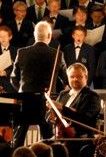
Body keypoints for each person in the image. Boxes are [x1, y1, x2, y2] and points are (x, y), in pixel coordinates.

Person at [10, 20, 68, 148]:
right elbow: (66, 80)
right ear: (49, 36)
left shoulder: (22, 52)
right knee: (48, 141)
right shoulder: (57, 54)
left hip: (25, 101)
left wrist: (22, 91)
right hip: (46, 102)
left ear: (35, 35)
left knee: (18, 140)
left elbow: (13, 78)